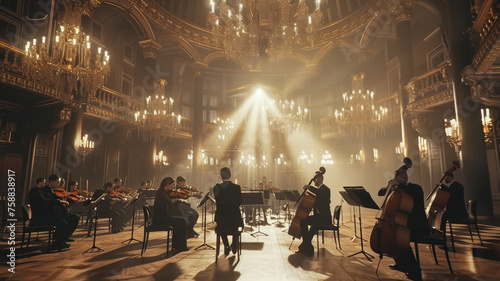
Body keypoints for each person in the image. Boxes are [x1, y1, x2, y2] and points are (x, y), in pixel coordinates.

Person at [378, 169, 429, 281]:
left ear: (405, 178)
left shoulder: (416, 188)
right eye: (395, 179)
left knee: (400, 239)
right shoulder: (398, 189)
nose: (397, 181)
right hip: (404, 223)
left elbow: (412, 191)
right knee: (394, 237)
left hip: (418, 225)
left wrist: (398, 185)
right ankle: (400, 263)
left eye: (399, 179)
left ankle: (414, 270)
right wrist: (389, 186)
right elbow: (380, 193)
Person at [28, 175, 74, 250]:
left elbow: (48, 201)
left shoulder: (40, 191)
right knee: (62, 223)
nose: (45, 184)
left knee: (65, 220)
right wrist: (59, 202)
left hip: (43, 216)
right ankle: (58, 244)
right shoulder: (35, 191)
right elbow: (44, 202)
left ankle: (60, 242)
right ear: (39, 182)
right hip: (39, 219)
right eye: (44, 182)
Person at [296, 173, 332, 257]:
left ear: (320, 179)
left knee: (303, 222)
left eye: (315, 179)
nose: (314, 181)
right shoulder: (318, 190)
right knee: (309, 224)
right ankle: (307, 246)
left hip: (325, 218)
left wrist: (309, 187)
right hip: (319, 217)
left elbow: (319, 193)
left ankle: (306, 246)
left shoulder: (326, 189)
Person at [153, 177, 189, 252]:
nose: (173, 187)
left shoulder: (163, 192)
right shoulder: (162, 193)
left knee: (181, 221)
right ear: (167, 184)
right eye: (172, 185)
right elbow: (170, 204)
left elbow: (169, 203)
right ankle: (180, 246)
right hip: (160, 218)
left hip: (162, 216)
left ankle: (177, 245)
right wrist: (177, 201)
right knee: (182, 221)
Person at [213, 167, 243, 256]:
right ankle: (234, 243)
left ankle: (226, 245)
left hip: (222, 218)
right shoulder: (237, 187)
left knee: (221, 228)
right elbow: (239, 202)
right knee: (238, 226)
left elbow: (217, 201)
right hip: (235, 218)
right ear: (230, 175)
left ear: (221, 176)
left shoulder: (216, 187)